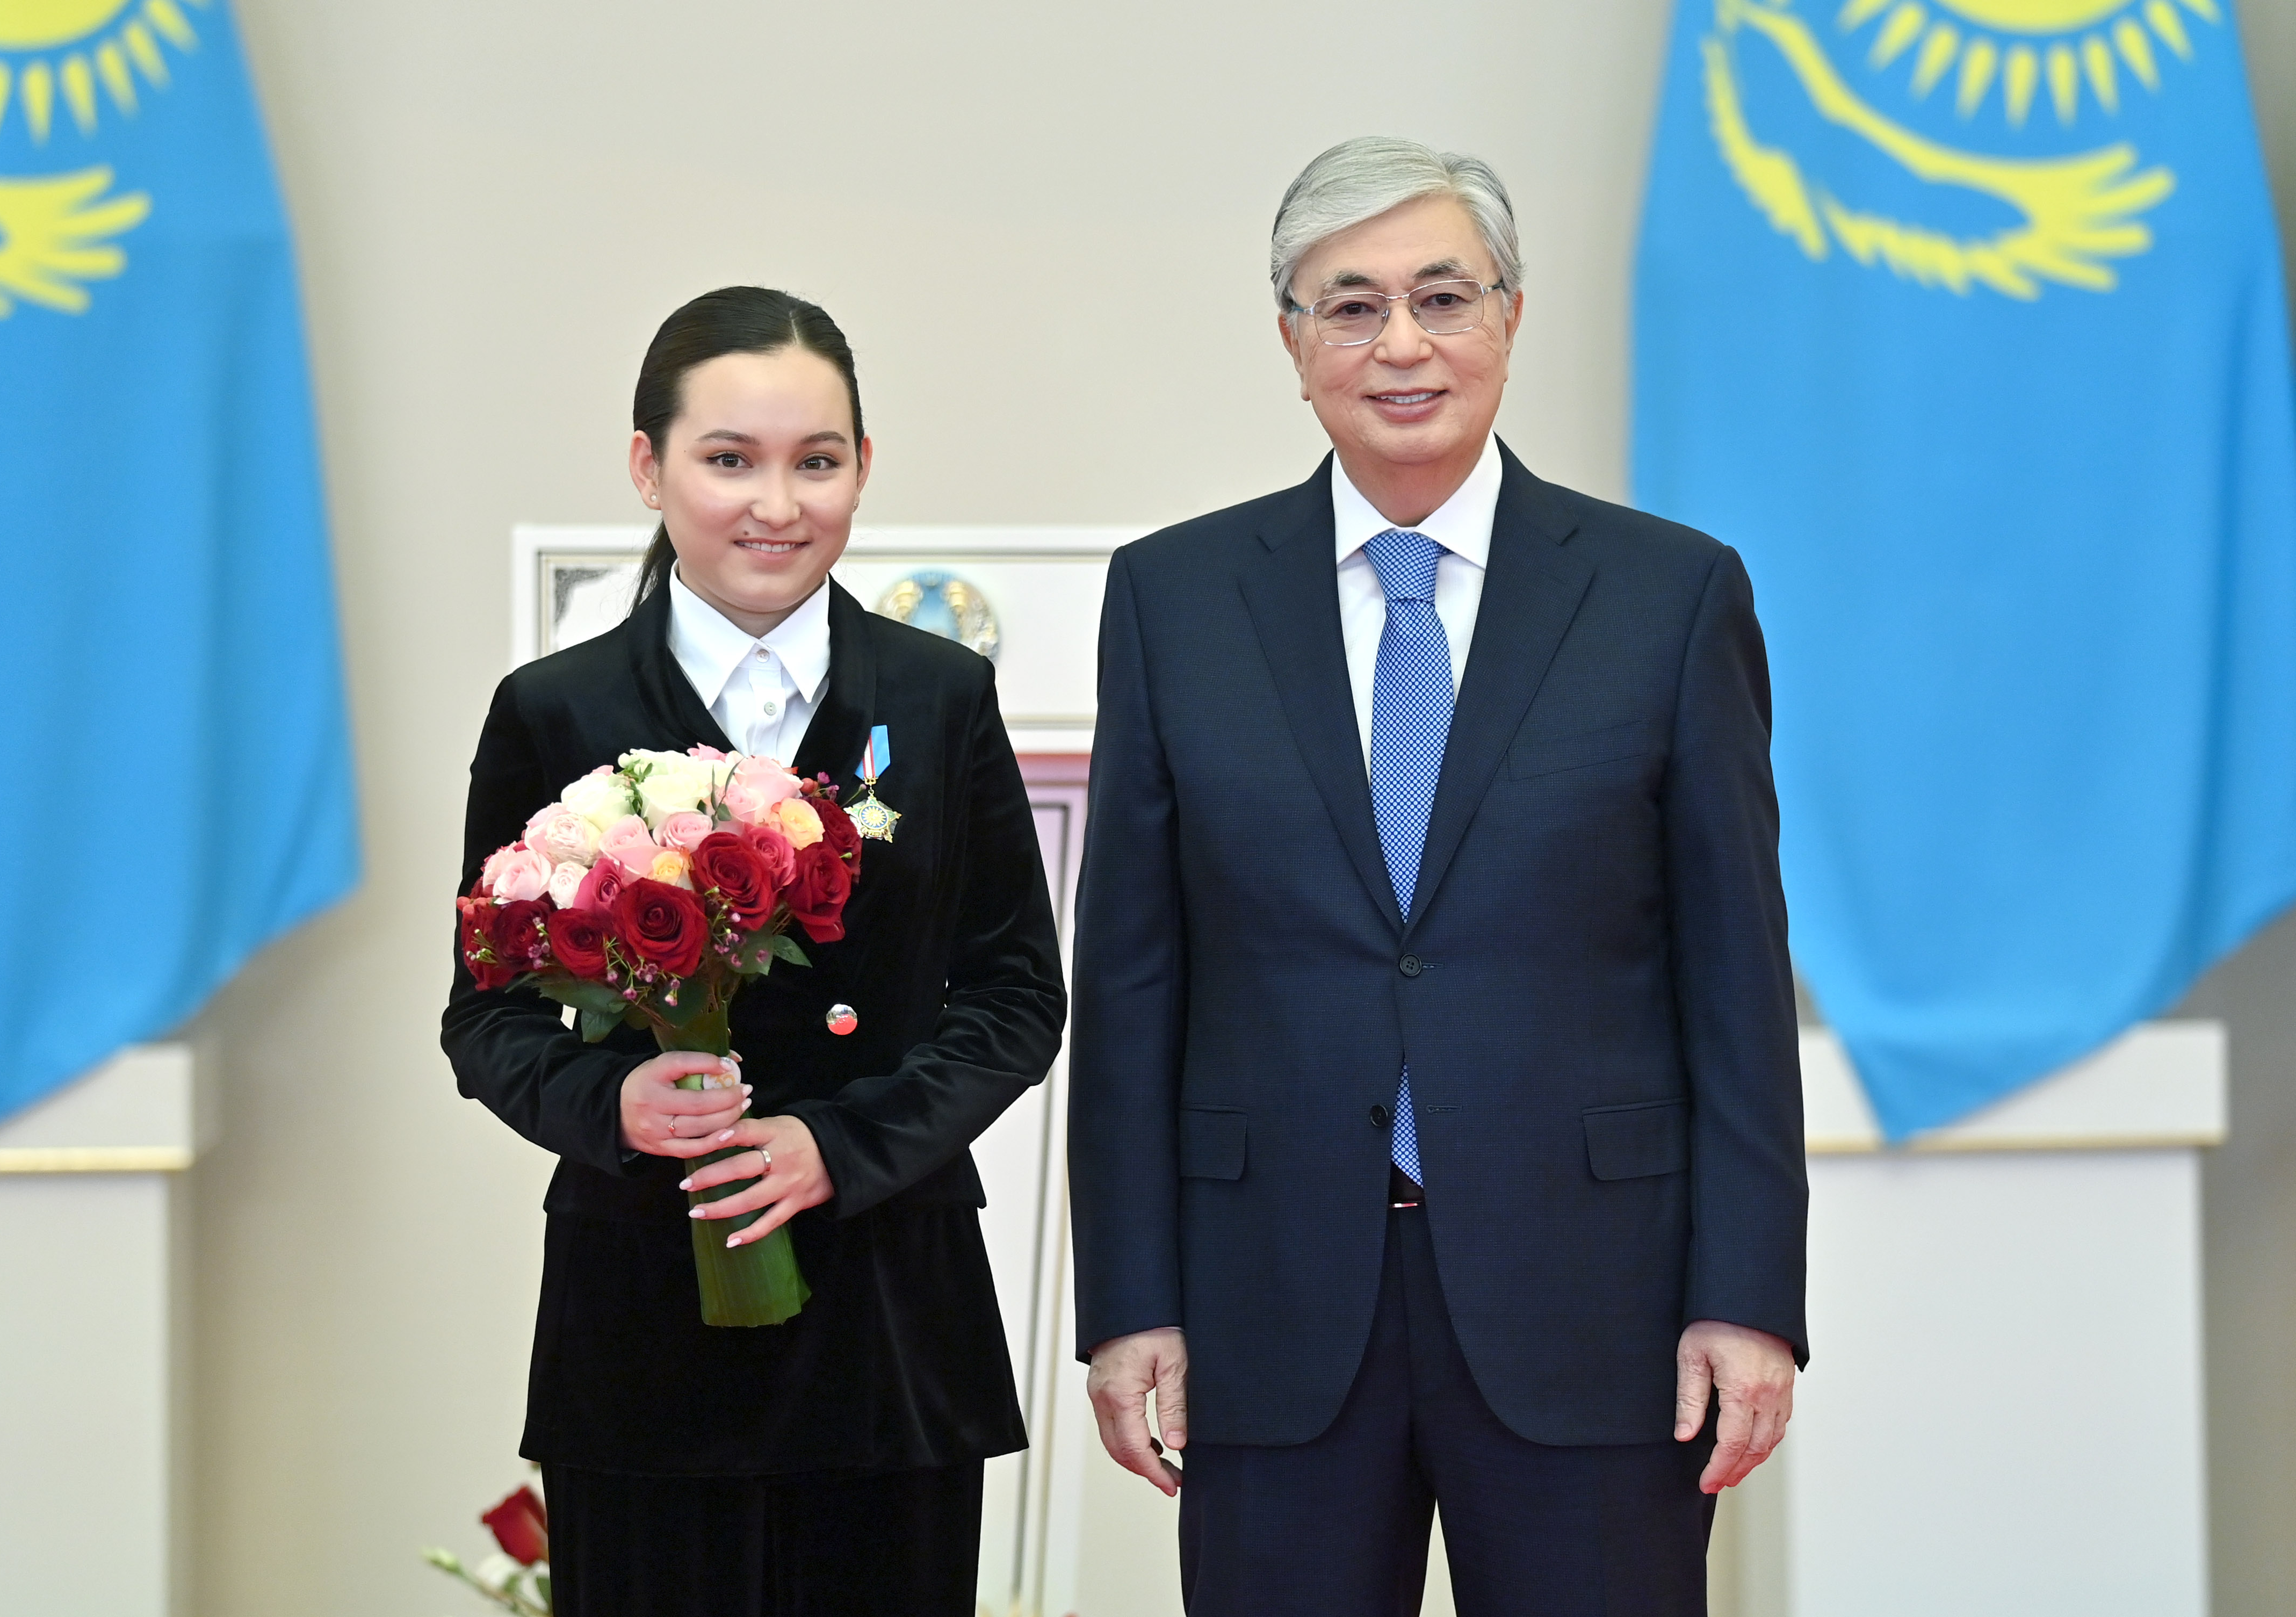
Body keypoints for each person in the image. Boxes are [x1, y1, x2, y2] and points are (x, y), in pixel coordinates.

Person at [1067, 138, 1808, 1615]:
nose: (1400, 344)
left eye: (1442, 297)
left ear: (1510, 319)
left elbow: (1732, 980)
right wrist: (1129, 1299)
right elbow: (1133, 980)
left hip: (1597, 1306)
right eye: (1350, 306)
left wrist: (1747, 1297)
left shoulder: (1669, 595)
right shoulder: (1173, 598)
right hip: (1270, 1302)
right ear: (1293, 342)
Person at [442, 286, 1065, 1617]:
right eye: (729, 459)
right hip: (641, 1321)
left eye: (816, 461)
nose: (776, 504)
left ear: (862, 467)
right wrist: (613, 1099)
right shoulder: (554, 710)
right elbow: (484, 1015)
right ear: (647, 465)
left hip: (890, 1315)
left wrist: (840, 1145)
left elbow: (1016, 993)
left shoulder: (940, 696)